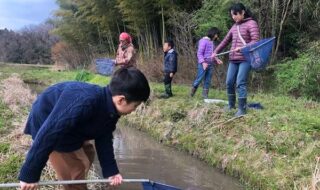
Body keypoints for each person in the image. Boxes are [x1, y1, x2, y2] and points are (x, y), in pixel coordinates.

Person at [18, 67, 150, 190]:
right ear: (121, 100)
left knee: (88, 153)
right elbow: (50, 132)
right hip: (47, 120)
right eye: (135, 105)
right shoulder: (85, 102)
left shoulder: (110, 109)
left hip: (71, 125)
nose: (134, 110)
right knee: (77, 167)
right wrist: (29, 174)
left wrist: (111, 171)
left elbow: (104, 137)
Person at [212, 3, 259, 116]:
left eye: (236, 14)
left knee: (240, 82)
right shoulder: (234, 26)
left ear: (243, 12)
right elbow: (225, 41)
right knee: (229, 82)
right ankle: (231, 105)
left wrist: (243, 47)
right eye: (232, 15)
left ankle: (242, 109)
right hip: (233, 59)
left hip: (246, 59)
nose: (234, 17)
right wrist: (215, 52)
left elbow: (255, 41)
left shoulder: (252, 23)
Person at [190, 27, 221, 99]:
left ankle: (205, 96)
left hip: (210, 65)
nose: (217, 36)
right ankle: (191, 94)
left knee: (208, 80)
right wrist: (203, 63)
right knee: (199, 79)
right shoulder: (203, 41)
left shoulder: (212, 42)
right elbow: (199, 53)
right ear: (213, 34)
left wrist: (216, 59)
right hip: (202, 64)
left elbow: (212, 54)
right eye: (216, 34)